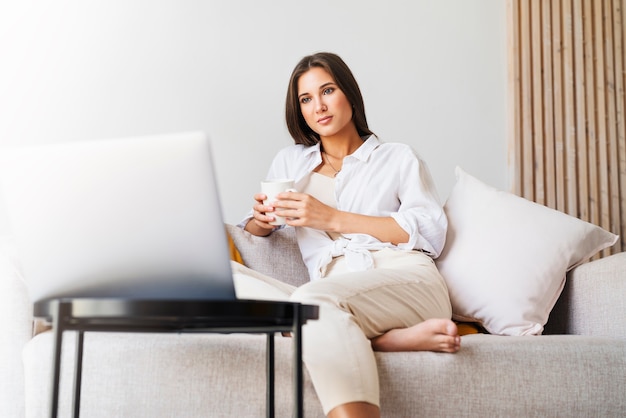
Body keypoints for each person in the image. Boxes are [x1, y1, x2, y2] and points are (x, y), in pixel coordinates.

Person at [234, 52, 460, 418]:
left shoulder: (397, 158)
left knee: (310, 306)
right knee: (225, 281)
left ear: (349, 94)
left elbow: (430, 234)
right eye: (306, 99)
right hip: (331, 292)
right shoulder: (291, 163)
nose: (318, 106)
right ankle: (385, 341)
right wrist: (261, 220)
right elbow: (253, 227)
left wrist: (332, 218)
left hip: (403, 278)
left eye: (327, 91)